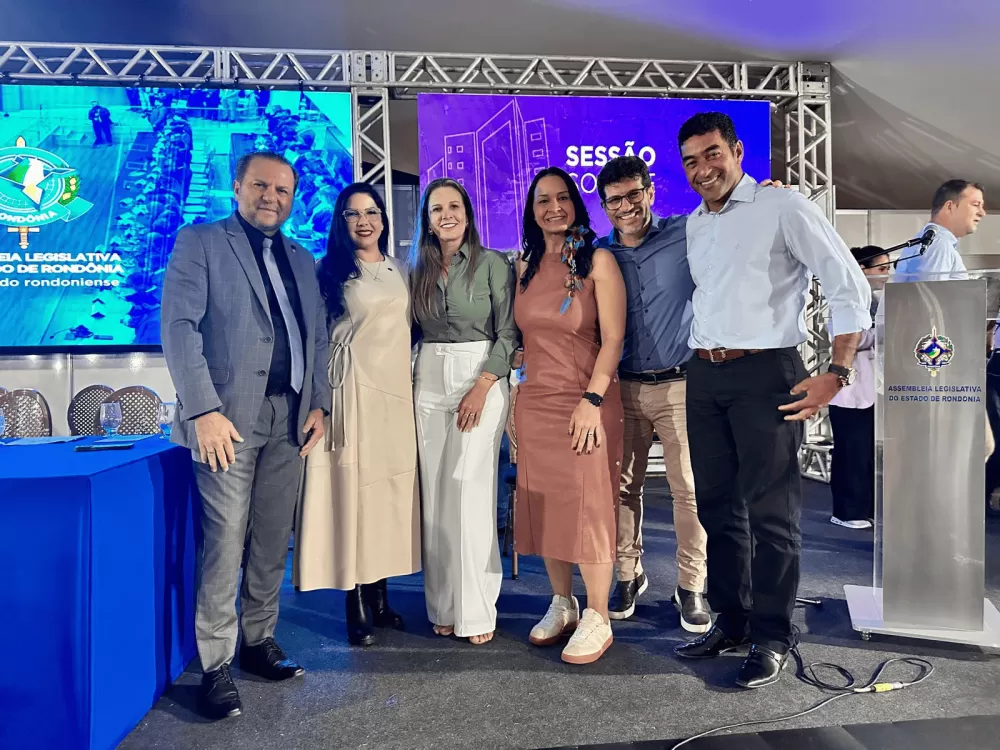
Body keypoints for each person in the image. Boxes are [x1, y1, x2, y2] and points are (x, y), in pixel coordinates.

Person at [670, 113, 871, 689]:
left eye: (712, 154)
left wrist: (837, 371)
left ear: (737, 151)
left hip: (766, 373)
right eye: (690, 161)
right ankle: (732, 622)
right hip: (704, 376)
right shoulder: (694, 224)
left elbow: (849, 284)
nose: (702, 169)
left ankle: (774, 636)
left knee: (772, 514)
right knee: (717, 508)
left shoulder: (783, 206)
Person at [161, 151, 331, 719]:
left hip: (291, 418)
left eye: (283, 190)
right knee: (225, 542)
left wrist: (319, 403)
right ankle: (215, 665)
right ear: (237, 187)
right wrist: (202, 410)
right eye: (260, 185)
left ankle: (259, 640)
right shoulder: (201, 241)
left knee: (272, 539)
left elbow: (317, 338)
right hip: (227, 420)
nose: (271, 198)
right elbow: (179, 327)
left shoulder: (301, 258)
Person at [294, 183, 420, 647]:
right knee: (354, 495)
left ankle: (381, 595)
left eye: (372, 212)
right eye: (353, 213)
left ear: (384, 218)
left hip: (395, 394)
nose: (364, 221)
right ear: (341, 221)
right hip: (351, 390)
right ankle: (356, 601)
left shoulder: (401, 270)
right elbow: (314, 339)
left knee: (386, 494)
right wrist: (320, 399)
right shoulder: (327, 271)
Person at [513, 167, 627, 665]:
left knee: (589, 506)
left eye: (562, 198)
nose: (553, 207)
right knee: (547, 504)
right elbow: (527, 336)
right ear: (531, 210)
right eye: (543, 200)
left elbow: (614, 339)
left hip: (586, 402)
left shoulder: (598, 260)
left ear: (576, 205)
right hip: (535, 402)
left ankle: (598, 614)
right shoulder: (525, 265)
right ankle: (563, 602)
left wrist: (592, 401)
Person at [594, 155, 709, 632]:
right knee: (623, 488)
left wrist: (766, 194)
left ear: (650, 191)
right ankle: (628, 574)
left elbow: (731, 220)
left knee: (688, 490)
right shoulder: (598, 254)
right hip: (621, 387)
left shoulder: (686, 232)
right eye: (614, 200)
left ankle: (691, 585)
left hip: (680, 383)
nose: (625, 207)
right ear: (604, 206)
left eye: (633, 195)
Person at [411, 178, 517, 646]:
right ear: (428, 220)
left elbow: (508, 332)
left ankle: (476, 609)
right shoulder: (417, 269)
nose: (446, 215)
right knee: (435, 495)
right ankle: (443, 606)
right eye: (437, 209)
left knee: (467, 488)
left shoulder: (493, 263)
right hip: (428, 378)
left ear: (468, 213)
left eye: (454, 206)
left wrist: (483, 384)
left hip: (481, 376)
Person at [828, 246, 890, 530]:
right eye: (881, 268)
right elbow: (846, 338)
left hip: (873, 389)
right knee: (850, 453)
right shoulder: (846, 298)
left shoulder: (878, 301)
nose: (886, 275)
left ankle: (867, 508)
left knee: (867, 454)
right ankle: (846, 511)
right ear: (862, 269)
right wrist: (883, 333)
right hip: (849, 390)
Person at [893, 180, 986, 282]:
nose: (982, 213)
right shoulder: (939, 244)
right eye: (975, 204)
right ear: (949, 207)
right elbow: (932, 291)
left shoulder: (928, 240)